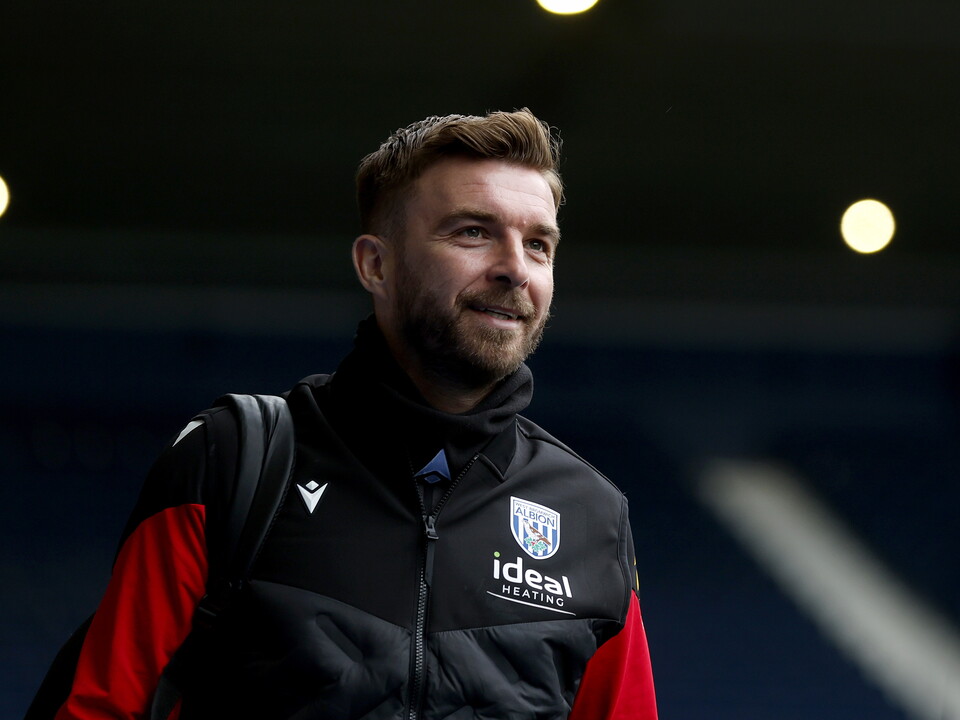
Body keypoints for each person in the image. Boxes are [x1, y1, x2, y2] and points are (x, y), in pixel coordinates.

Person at [53, 109, 658, 719]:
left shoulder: (592, 517)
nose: (514, 268)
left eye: (538, 244)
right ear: (376, 265)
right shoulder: (234, 459)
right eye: (474, 232)